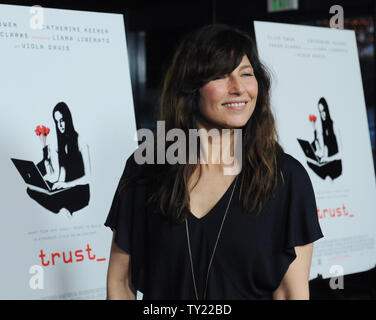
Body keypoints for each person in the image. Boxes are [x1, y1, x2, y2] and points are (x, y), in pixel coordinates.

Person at [105, 24, 324, 300]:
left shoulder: (285, 178)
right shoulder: (146, 169)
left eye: (246, 74)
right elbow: (120, 282)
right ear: (191, 89)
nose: (239, 88)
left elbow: (291, 293)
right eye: (220, 76)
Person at [27, 102, 90, 217]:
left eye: (62, 120)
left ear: (68, 119)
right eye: (57, 122)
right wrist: (57, 185)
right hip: (67, 188)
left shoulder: (80, 141)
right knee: (32, 190)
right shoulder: (62, 143)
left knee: (53, 200)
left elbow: (88, 178)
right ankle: (62, 205)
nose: (60, 125)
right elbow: (63, 172)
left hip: (81, 192)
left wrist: (65, 185)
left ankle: (64, 207)